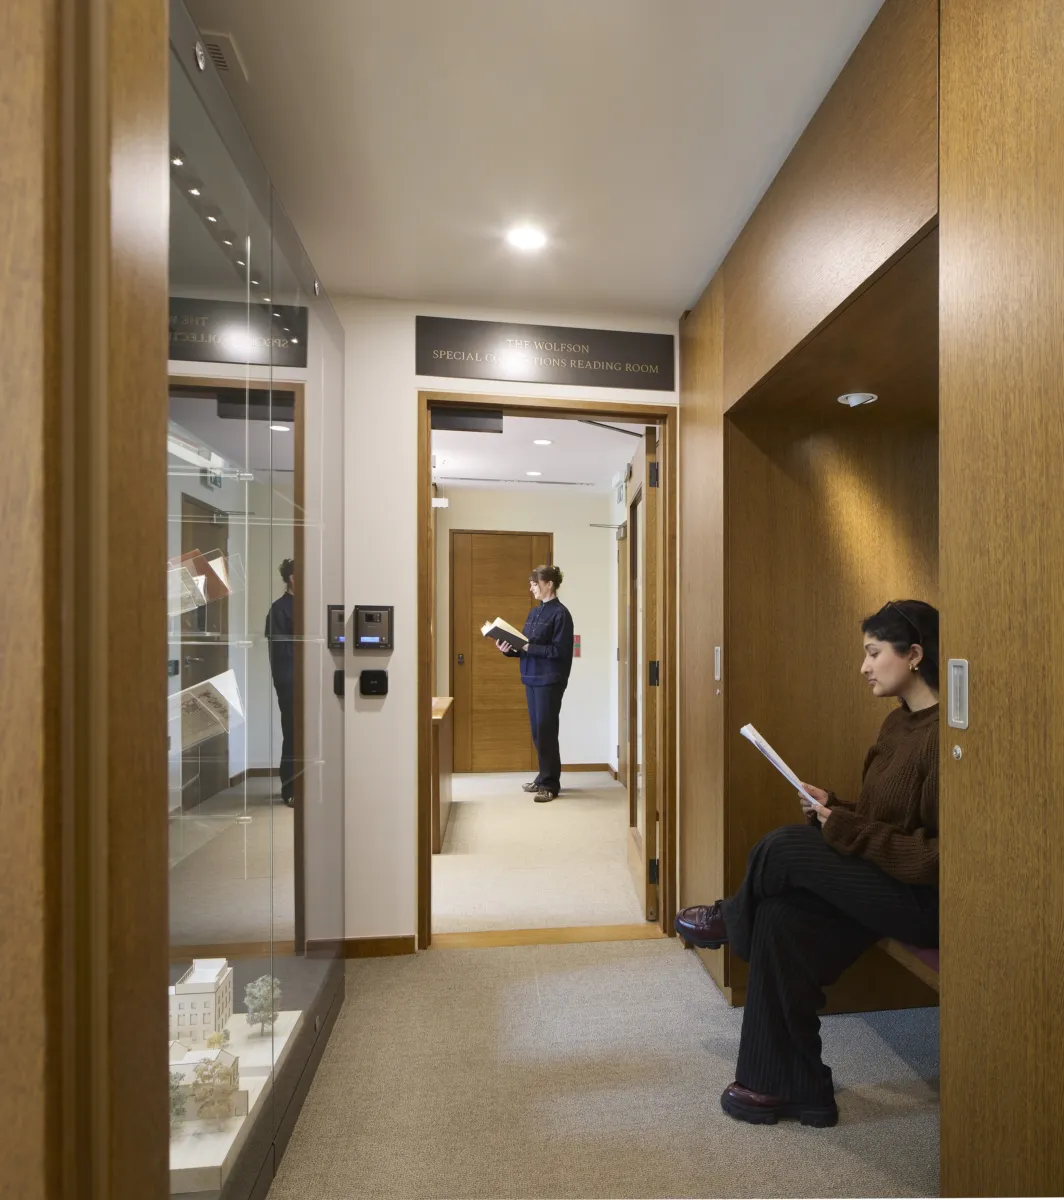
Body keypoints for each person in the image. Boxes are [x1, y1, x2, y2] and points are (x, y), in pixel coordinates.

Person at [675, 599, 940, 1128]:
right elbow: (879, 820)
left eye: (873, 653)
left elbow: (936, 857)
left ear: (913, 655)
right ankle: (790, 1086)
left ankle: (732, 919)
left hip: (921, 901)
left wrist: (839, 826)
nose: (864, 667)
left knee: (783, 847)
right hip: (882, 882)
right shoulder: (896, 726)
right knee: (779, 920)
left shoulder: (947, 735)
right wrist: (836, 808)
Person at [496, 565, 575, 802]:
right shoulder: (534, 613)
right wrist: (508, 649)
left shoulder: (561, 614)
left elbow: (559, 652)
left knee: (546, 730)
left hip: (550, 679)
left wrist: (529, 647)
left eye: (534, 583)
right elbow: (525, 646)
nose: (531, 588)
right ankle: (543, 777)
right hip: (530, 677)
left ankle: (550, 785)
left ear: (548, 584)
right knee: (537, 731)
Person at [265, 558, 296, 807]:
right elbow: (281, 654)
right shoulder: (279, 609)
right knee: (294, 733)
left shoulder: (310, 605)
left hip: (314, 683)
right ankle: (291, 789)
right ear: (293, 578)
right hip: (291, 683)